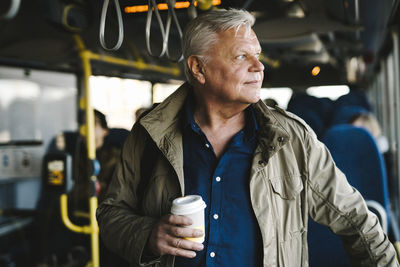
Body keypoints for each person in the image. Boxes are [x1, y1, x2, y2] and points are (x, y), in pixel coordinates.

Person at [96, 9, 398, 267]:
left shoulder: (293, 140)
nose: (259, 66)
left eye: (258, 56)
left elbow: (357, 220)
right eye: (242, 56)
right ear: (199, 68)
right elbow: (111, 215)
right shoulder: (150, 135)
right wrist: (148, 235)